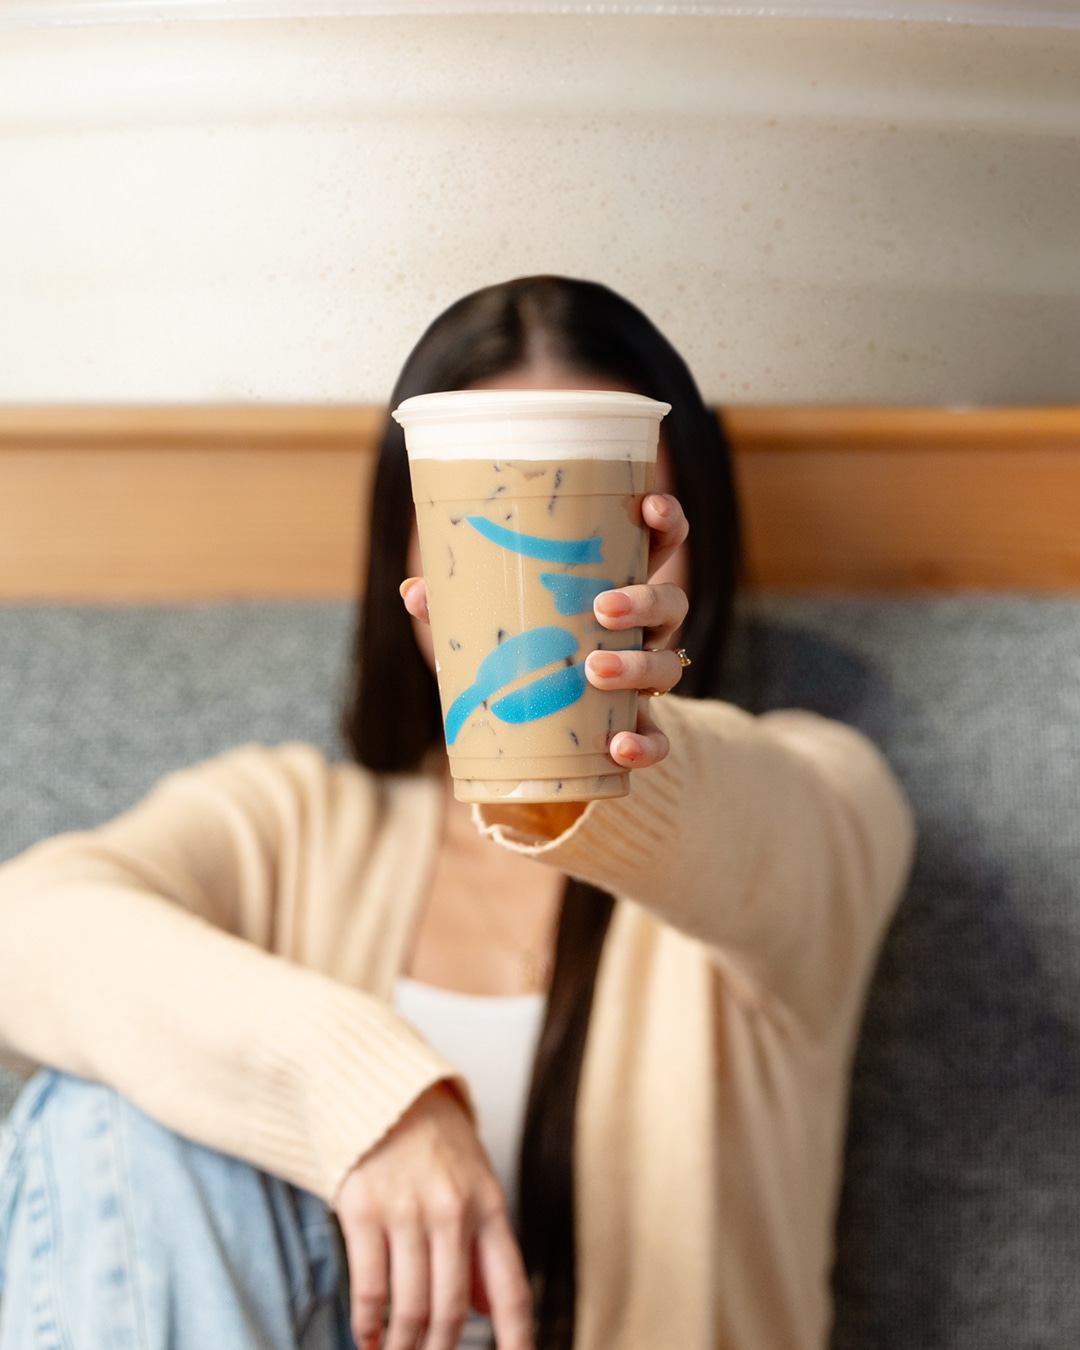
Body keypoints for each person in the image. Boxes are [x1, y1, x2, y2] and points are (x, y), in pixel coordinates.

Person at [0, 276, 914, 1350]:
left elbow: (758, 828)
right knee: (108, 1117)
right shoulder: (293, 823)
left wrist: (617, 715)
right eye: (482, 518)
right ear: (406, 543)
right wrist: (371, 1100)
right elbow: (29, 926)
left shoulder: (821, 801)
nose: (547, 572)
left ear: (679, 548)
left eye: (606, 523)